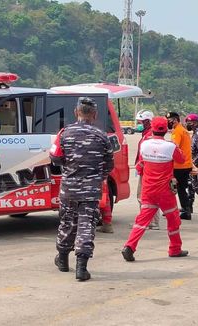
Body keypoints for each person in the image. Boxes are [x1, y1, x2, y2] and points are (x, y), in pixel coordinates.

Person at [52, 97, 114, 281]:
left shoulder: (64, 133)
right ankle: (81, 267)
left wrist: (69, 168)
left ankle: (62, 260)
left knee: (67, 223)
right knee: (87, 225)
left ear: (75, 112)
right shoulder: (102, 136)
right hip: (91, 189)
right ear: (94, 115)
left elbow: (55, 158)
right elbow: (109, 165)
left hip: (69, 188)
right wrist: (97, 177)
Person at [122, 117, 189, 261]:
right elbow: (182, 159)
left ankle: (130, 246)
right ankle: (175, 249)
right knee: (173, 220)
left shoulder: (144, 145)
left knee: (142, 220)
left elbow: (141, 164)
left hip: (148, 190)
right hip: (165, 191)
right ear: (166, 129)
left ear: (152, 128)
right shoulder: (170, 146)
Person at [133, 110, 162, 230]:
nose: (139, 124)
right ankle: (148, 221)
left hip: (147, 171)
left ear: (147, 122)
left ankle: (151, 222)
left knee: (144, 196)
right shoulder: (146, 134)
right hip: (145, 170)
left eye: (141, 122)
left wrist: (141, 167)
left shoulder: (149, 136)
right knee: (145, 197)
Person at [166, 111, 193, 220]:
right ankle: (185, 208)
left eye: (170, 121)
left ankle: (186, 211)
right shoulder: (184, 130)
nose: (168, 123)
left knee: (178, 188)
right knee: (182, 187)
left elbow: (174, 147)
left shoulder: (177, 132)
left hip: (179, 166)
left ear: (175, 120)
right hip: (186, 164)